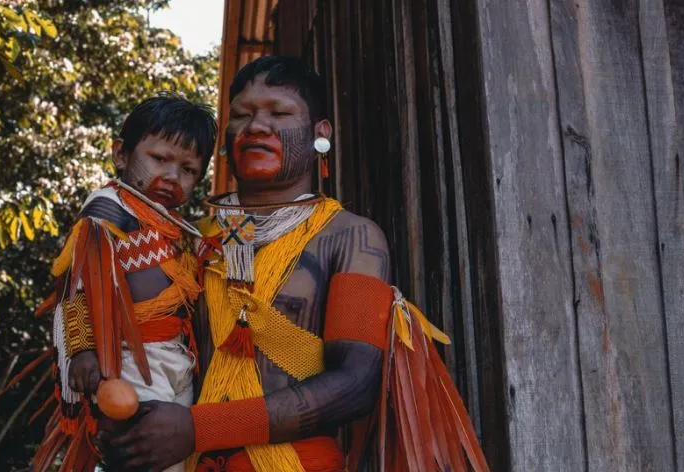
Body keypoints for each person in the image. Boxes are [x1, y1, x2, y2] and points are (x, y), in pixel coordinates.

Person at [99, 57, 488, 472]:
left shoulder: (351, 237)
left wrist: (198, 429)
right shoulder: (184, 240)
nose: (256, 127)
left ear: (321, 134)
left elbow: (356, 382)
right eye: (242, 115)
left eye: (280, 112)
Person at [31, 95, 217, 472]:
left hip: (179, 358)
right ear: (120, 154)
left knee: (176, 458)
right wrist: (82, 350)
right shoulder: (109, 207)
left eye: (188, 169)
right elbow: (75, 286)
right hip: (133, 359)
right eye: (159, 159)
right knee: (151, 455)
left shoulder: (177, 227)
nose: (172, 177)